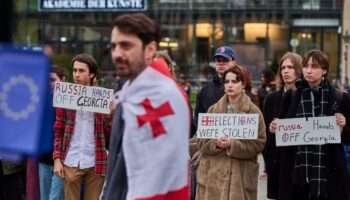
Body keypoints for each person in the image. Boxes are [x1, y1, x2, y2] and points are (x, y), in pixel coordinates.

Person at [101, 13, 190, 200]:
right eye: (114, 46)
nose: (117, 53)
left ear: (150, 50)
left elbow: (154, 179)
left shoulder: (163, 97)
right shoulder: (131, 91)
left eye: (126, 45)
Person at [269, 49, 350, 200]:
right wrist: (274, 128)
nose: (308, 70)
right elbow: (281, 128)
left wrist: (343, 127)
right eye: (306, 66)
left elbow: (347, 135)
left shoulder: (339, 97)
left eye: (314, 67)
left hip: (327, 174)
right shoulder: (292, 95)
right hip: (297, 174)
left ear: (324, 70)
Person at [195, 66, 266, 200]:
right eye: (227, 82)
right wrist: (215, 143)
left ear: (243, 84)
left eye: (234, 81)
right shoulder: (212, 110)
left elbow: (259, 144)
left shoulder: (253, 112)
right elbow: (200, 141)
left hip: (240, 179)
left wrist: (232, 144)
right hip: (212, 177)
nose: (230, 85)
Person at [53, 54, 111, 200]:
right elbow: (58, 129)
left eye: (81, 71)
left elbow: (109, 134)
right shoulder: (65, 96)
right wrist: (57, 159)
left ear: (91, 74)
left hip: (96, 160)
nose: (77, 75)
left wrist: (110, 116)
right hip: (71, 158)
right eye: (74, 70)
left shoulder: (102, 98)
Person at [262, 52, 303, 199]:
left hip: (300, 164)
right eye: (283, 67)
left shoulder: (307, 96)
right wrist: (271, 130)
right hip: (277, 164)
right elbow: (264, 134)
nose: (286, 71)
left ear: (299, 69)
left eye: (290, 67)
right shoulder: (272, 98)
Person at [39, 65, 67, 200]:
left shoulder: (71, 103)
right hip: (43, 160)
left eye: (52, 80)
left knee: (55, 198)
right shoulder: (41, 101)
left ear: (63, 80)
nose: (49, 83)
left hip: (63, 161)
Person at [194, 46, 236, 129]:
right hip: (210, 140)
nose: (221, 63)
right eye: (218, 60)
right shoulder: (205, 91)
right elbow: (198, 119)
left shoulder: (242, 87)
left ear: (234, 62)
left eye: (225, 60)